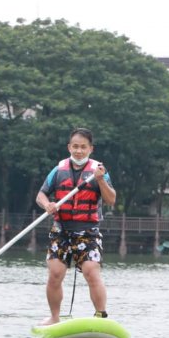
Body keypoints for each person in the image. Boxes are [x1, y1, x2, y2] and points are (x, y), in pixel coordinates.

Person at [35, 128, 116, 326]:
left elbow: (111, 200)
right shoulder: (59, 169)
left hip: (87, 231)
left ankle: (101, 316)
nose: (79, 151)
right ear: (69, 147)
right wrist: (47, 205)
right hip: (61, 229)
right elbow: (41, 195)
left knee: (91, 271)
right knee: (55, 274)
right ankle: (54, 317)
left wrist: (100, 180)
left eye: (83, 147)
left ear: (90, 149)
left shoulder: (99, 171)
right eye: (75, 146)